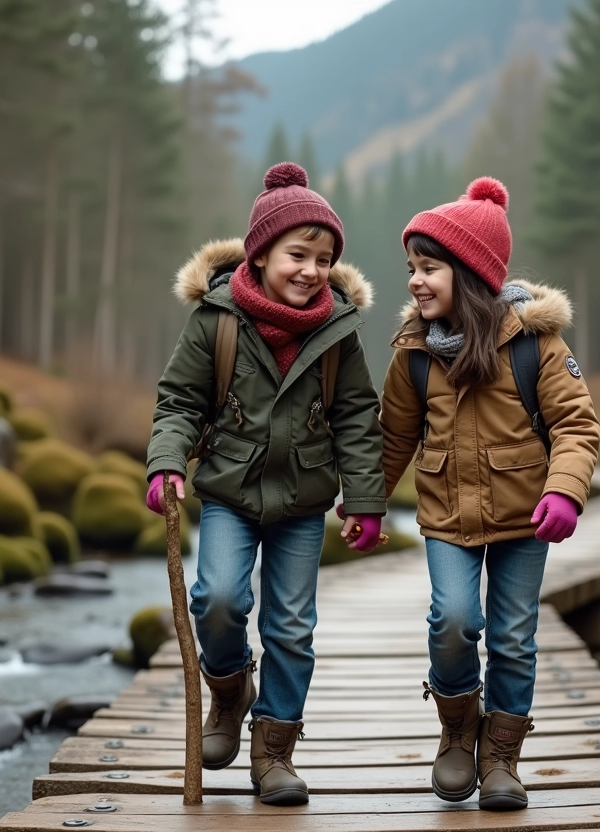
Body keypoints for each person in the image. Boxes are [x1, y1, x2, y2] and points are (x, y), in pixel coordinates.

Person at [145, 162, 386, 806]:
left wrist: (363, 499)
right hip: (228, 491)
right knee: (218, 599)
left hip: (304, 503)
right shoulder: (216, 320)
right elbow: (178, 402)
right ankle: (229, 690)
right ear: (260, 253)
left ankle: (275, 750)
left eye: (324, 257)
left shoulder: (338, 333)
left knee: (292, 626)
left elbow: (358, 417)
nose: (311, 270)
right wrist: (166, 460)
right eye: (297, 255)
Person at [379, 176, 600, 810]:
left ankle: (501, 755)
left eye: (429, 268)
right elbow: (393, 438)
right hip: (448, 514)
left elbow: (576, 423)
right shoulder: (415, 353)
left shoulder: (535, 344)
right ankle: (457, 731)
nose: (415, 281)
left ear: (471, 274)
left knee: (513, 635)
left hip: (526, 517)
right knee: (453, 620)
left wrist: (565, 492)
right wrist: (368, 504)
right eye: (412, 268)